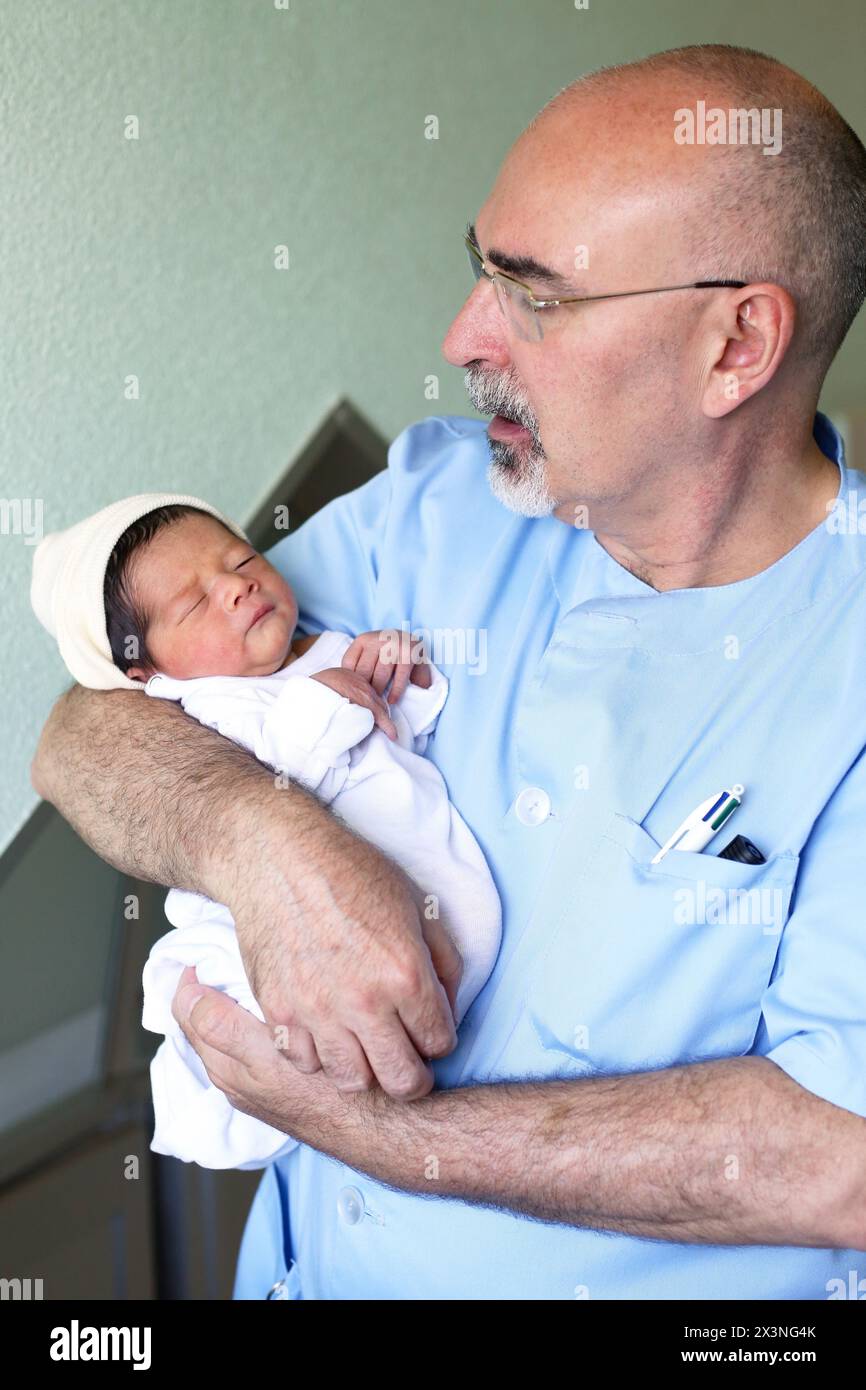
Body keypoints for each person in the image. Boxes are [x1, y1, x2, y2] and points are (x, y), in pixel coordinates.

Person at [31, 44, 866, 1300]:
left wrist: (370, 1129)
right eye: (478, 267)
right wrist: (262, 844)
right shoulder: (434, 499)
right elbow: (88, 730)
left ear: (734, 343)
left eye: (532, 294)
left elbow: (833, 1159)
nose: (463, 335)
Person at [29, 495, 501, 1169]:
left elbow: (410, 732)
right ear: (146, 672)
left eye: (241, 558)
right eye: (194, 604)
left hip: (425, 884)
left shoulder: (328, 647)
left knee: (447, 957)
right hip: (272, 932)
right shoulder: (201, 710)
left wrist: (399, 667)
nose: (237, 586)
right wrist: (331, 700)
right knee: (267, 1013)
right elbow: (285, 774)